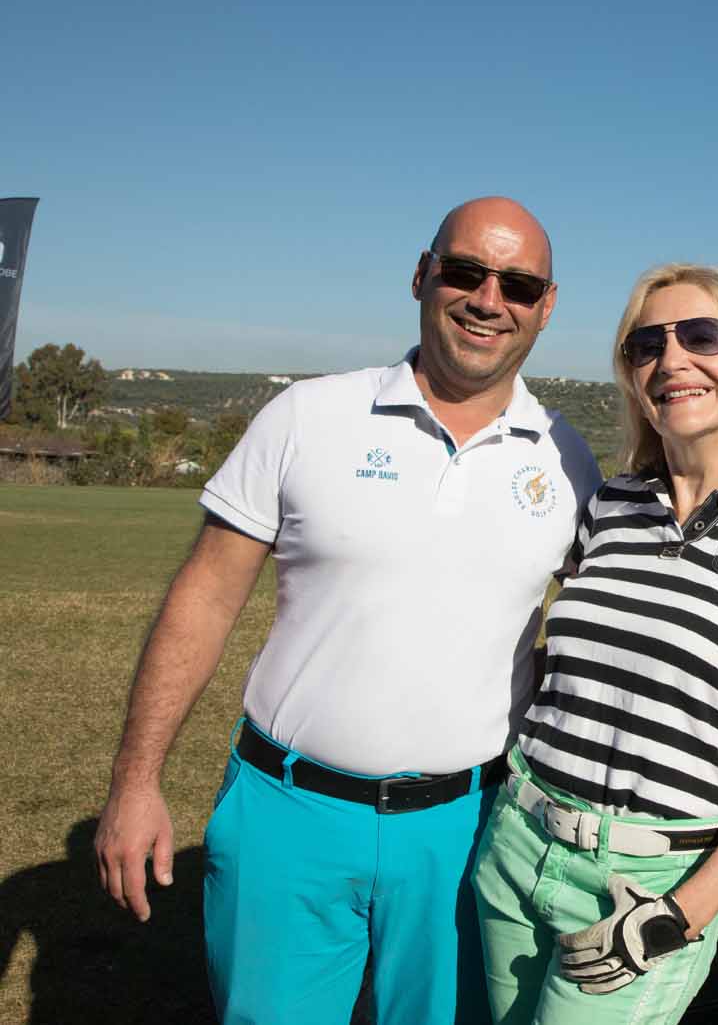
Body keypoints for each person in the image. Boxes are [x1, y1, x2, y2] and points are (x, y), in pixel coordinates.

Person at [93, 197, 602, 1025]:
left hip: (469, 828)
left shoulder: (567, 456)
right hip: (287, 814)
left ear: (546, 306)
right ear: (422, 274)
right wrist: (135, 779)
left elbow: (602, 635)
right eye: (465, 272)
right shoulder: (308, 415)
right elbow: (206, 595)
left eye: (517, 285)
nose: (488, 300)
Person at [473, 263, 718, 1024]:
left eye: (701, 336)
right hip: (518, 840)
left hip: (642, 889)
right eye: (646, 346)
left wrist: (681, 913)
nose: (671, 358)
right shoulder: (610, 505)